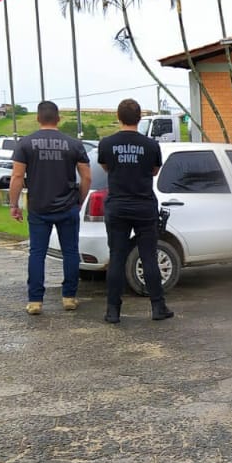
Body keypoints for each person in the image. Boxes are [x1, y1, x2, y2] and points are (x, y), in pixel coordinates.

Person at [8, 100, 91, 316]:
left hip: (38, 206)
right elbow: (87, 176)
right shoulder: (74, 144)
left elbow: (17, 176)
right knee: (71, 251)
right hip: (67, 205)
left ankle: (35, 301)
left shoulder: (26, 144)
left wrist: (13, 204)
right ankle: (69, 297)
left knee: (37, 253)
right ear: (58, 119)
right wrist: (80, 200)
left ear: (38, 118)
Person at [97, 99, 173, 323]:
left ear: (119, 117)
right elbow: (154, 171)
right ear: (139, 118)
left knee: (117, 258)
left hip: (118, 206)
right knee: (149, 257)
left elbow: (106, 167)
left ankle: (113, 311)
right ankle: (158, 307)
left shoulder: (106, 144)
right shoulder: (151, 145)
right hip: (144, 206)